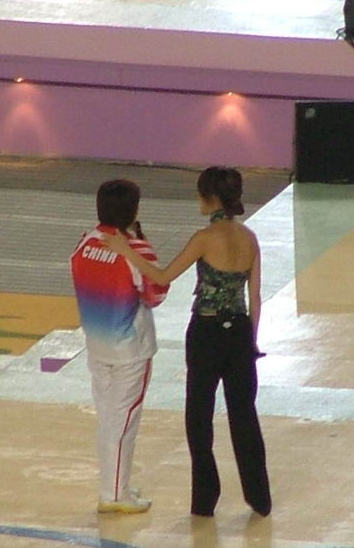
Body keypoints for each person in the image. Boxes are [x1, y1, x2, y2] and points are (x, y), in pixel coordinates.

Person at [102, 166, 271, 517]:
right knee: (244, 416)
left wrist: (125, 249)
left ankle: (205, 501)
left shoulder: (204, 238)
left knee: (199, 418)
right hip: (240, 333)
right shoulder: (250, 238)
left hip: (206, 333)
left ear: (210, 198)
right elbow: (254, 297)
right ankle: (259, 497)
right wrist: (251, 342)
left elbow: (163, 276)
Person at [70, 179, 169, 514]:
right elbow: (156, 294)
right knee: (124, 421)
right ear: (133, 209)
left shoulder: (85, 242)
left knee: (108, 418)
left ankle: (115, 483)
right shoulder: (136, 250)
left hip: (96, 345)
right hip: (130, 349)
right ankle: (114, 494)